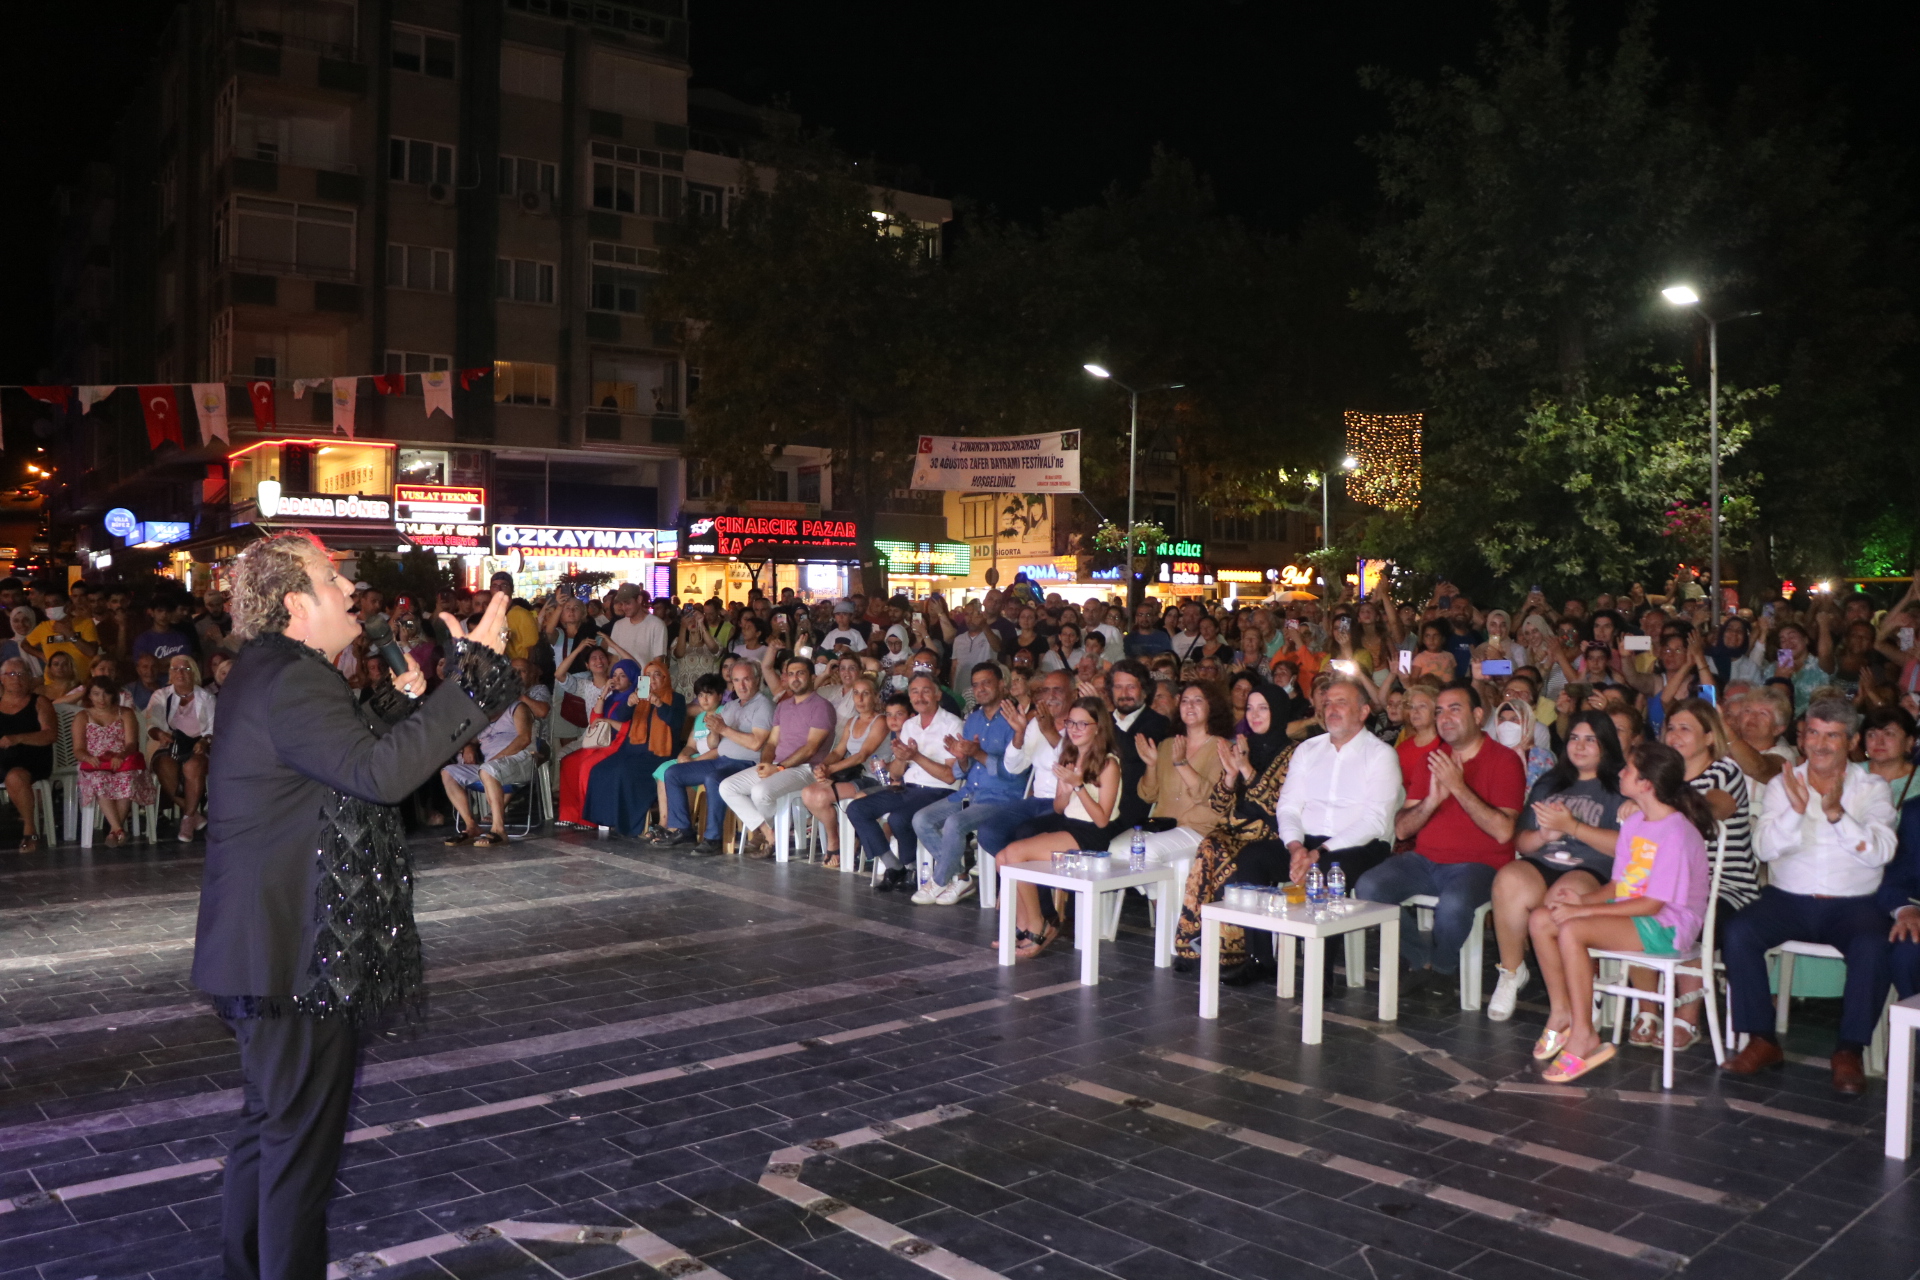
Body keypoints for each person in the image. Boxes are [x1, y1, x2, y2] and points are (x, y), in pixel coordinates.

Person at [200, 536, 516, 1277]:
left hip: (264, 947)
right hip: (295, 956)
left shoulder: (274, 671)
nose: (350, 588)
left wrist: (396, 701)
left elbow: (326, 762)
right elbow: (376, 776)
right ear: (294, 604)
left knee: (271, 1130)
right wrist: (476, 679)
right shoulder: (295, 678)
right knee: (297, 1154)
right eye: (332, 577)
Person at [1722, 696, 1898, 1095]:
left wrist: (1837, 815)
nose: (1820, 744)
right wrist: (1795, 810)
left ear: (1852, 742)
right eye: (1814, 733)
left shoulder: (1872, 789)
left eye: (1832, 736)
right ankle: (1762, 1040)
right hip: (1787, 898)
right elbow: (1764, 849)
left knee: (1874, 945)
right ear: (1803, 739)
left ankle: (1849, 1051)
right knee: (1738, 932)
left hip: (1853, 905)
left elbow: (1882, 853)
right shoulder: (1783, 784)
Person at [1528, 741, 1715, 1083]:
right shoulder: (1634, 823)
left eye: (1628, 769)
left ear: (1646, 784)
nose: (1620, 773)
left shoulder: (1676, 831)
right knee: (1542, 918)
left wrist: (1581, 915)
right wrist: (1579, 903)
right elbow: (1619, 886)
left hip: (1668, 925)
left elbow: (1652, 904)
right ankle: (1562, 1013)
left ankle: (1584, 1034)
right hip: (1636, 913)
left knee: (1572, 929)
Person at [1356, 682, 1526, 1000]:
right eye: (1439, 711)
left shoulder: (1504, 760)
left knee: (1454, 905)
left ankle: (1444, 970)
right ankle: (1424, 960)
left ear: (1478, 715)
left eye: (1454, 709)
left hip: (1480, 864)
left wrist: (1459, 788)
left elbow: (1504, 832)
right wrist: (1433, 800)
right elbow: (1403, 829)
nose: (1444, 717)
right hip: (1425, 860)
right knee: (1368, 888)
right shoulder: (1432, 759)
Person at [1486, 710, 1627, 1021]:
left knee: (1562, 898)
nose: (1579, 746)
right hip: (1544, 862)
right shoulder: (1550, 782)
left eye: (1590, 739)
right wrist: (1542, 835)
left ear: (1606, 744)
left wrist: (1573, 827)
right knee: (1508, 879)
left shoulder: (1621, 787)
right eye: (1574, 738)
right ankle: (1511, 972)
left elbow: (1627, 847)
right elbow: (1521, 842)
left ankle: (1576, 992)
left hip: (1594, 870)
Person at [1172, 685, 1295, 973]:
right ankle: (1196, 943)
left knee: (1223, 852)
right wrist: (1229, 775)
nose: (1254, 714)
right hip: (1234, 831)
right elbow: (1218, 805)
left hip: (1271, 836)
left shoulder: (1294, 754)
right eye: (1250, 708)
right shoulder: (1242, 748)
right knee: (1210, 846)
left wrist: (1247, 770)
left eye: (1263, 707)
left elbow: (1277, 806)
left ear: (1277, 711)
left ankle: (1229, 949)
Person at [992, 696, 1124, 957]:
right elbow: (1059, 808)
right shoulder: (1070, 757)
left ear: (1098, 727)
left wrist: (1078, 786)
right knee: (1002, 857)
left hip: (1091, 834)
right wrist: (1064, 790)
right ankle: (1023, 925)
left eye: (1082, 724)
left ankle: (1040, 927)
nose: (1073, 729)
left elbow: (1101, 819)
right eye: (1070, 723)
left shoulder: (1109, 764)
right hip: (1070, 825)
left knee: (1016, 854)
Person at [909, 663, 1030, 905]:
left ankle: (940, 880)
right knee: (921, 819)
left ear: (1001, 684)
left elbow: (1014, 771)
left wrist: (977, 754)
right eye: (975, 684)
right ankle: (960, 876)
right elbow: (962, 771)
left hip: (1002, 796)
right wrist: (963, 758)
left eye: (986, 682)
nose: (981, 688)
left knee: (954, 823)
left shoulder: (1016, 718)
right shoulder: (972, 720)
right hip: (971, 792)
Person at [846, 672, 962, 891]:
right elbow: (897, 774)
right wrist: (900, 758)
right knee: (857, 809)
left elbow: (950, 776)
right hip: (908, 789)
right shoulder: (910, 725)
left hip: (939, 792)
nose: (919, 697)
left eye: (926, 691)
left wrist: (916, 756)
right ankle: (895, 866)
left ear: (938, 694)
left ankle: (912, 868)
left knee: (900, 818)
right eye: (914, 692)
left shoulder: (952, 724)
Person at [719, 654, 836, 858]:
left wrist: (779, 768)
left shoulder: (821, 706)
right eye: (791, 674)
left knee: (760, 792)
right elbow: (772, 742)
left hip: (806, 769)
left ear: (811, 676)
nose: (795, 678)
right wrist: (765, 764)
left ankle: (769, 837)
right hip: (777, 765)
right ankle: (769, 833)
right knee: (727, 787)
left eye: (800, 673)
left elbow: (811, 748)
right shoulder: (784, 705)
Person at [1111, 679, 1231, 866]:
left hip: (1198, 829)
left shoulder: (1222, 748)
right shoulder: (1167, 745)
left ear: (1211, 707)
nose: (1190, 705)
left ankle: (1157, 896)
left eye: (1198, 700)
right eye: (1185, 701)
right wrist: (1151, 765)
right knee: (1114, 850)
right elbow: (1148, 795)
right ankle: (1154, 896)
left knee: (1143, 852)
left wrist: (1181, 763)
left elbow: (1210, 797)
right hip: (1161, 826)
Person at [660, 660, 774, 854]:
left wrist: (724, 729)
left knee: (713, 779)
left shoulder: (763, 705)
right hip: (721, 759)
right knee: (673, 773)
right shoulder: (730, 707)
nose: (742, 685)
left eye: (746, 679)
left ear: (757, 680)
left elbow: (757, 743)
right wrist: (714, 729)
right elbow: (714, 744)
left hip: (746, 764)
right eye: (737, 680)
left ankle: (713, 838)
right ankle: (684, 829)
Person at [798, 679, 900, 869]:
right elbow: (838, 752)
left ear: (876, 697)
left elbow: (863, 754)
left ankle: (836, 844)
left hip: (874, 777)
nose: (859, 698)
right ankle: (835, 838)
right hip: (854, 775)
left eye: (865, 693)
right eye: (856, 693)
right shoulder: (852, 722)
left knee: (819, 796)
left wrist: (832, 769)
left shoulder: (880, 721)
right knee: (808, 793)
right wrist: (823, 766)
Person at [579, 657, 680, 837]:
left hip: (658, 754)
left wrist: (659, 704)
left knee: (623, 772)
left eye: (657, 675)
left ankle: (627, 823)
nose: (653, 679)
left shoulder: (675, 698)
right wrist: (629, 703)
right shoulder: (640, 697)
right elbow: (622, 716)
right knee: (599, 770)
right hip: (632, 749)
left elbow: (674, 721)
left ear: (665, 678)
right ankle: (605, 820)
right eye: (648, 675)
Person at [438, 692, 538, 848]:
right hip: (491, 769)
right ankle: (471, 826)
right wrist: (468, 747)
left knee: (487, 769)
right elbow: (468, 739)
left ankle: (499, 830)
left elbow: (524, 738)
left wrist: (496, 759)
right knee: (448, 772)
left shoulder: (516, 708)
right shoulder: (481, 721)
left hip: (518, 761)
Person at [557, 658, 643, 827]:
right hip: (601, 743)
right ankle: (571, 813)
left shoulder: (636, 700)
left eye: (622, 676)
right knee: (569, 762)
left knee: (587, 766)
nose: (616, 679)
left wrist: (608, 722)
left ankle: (590, 819)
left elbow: (630, 729)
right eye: (615, 675)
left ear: (632, 679)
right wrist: (603, 694)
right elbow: (594, 719)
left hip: (618, 745)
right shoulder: (612, 697)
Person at [74, 676, 156, 845]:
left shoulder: (125, 713)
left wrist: (121, 755)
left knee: (127, 777)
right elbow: (78, 749)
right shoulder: (82, 716)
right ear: (89, 695)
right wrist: (88, 757)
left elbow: (132, 743)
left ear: (113, 695)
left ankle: (114, 831)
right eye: (96, 694)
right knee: (99, 779)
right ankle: (118, 829)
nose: (101, 699)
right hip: (95, 763)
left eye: (105, 694)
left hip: (122, 760)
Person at [147, 655, 217, 842]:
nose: (180, 673)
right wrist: (160, 734)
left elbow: (212, 728)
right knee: (163, 765)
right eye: (175, 669)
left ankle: (187, 819)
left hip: (198, 745)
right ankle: (192, 813)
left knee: (192, 767)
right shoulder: (161, 695)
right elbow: (152, 724)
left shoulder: (206, 697)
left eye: (185, 669)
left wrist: (204, 741)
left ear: (193, 672)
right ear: (169, 673)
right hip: (171, 744)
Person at [0, 656, 56, 851]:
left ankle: (30, 829)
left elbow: (49, 735)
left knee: (15, 776)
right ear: (2, 678)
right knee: (9, 771)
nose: (17, 678)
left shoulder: (39, 702)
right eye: (11, 674)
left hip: (33, 757)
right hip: (3, 758)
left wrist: (18, 738)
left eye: (22, 673)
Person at [609, 584, 668, 667]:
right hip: (622, 678)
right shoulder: (618, 625)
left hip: (645, 678)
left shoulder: (656, 625)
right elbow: (615, 659)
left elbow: (657, 661)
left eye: (628, 603)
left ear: (639, 599)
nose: (624, 608)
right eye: (621, 604)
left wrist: (648, 679)